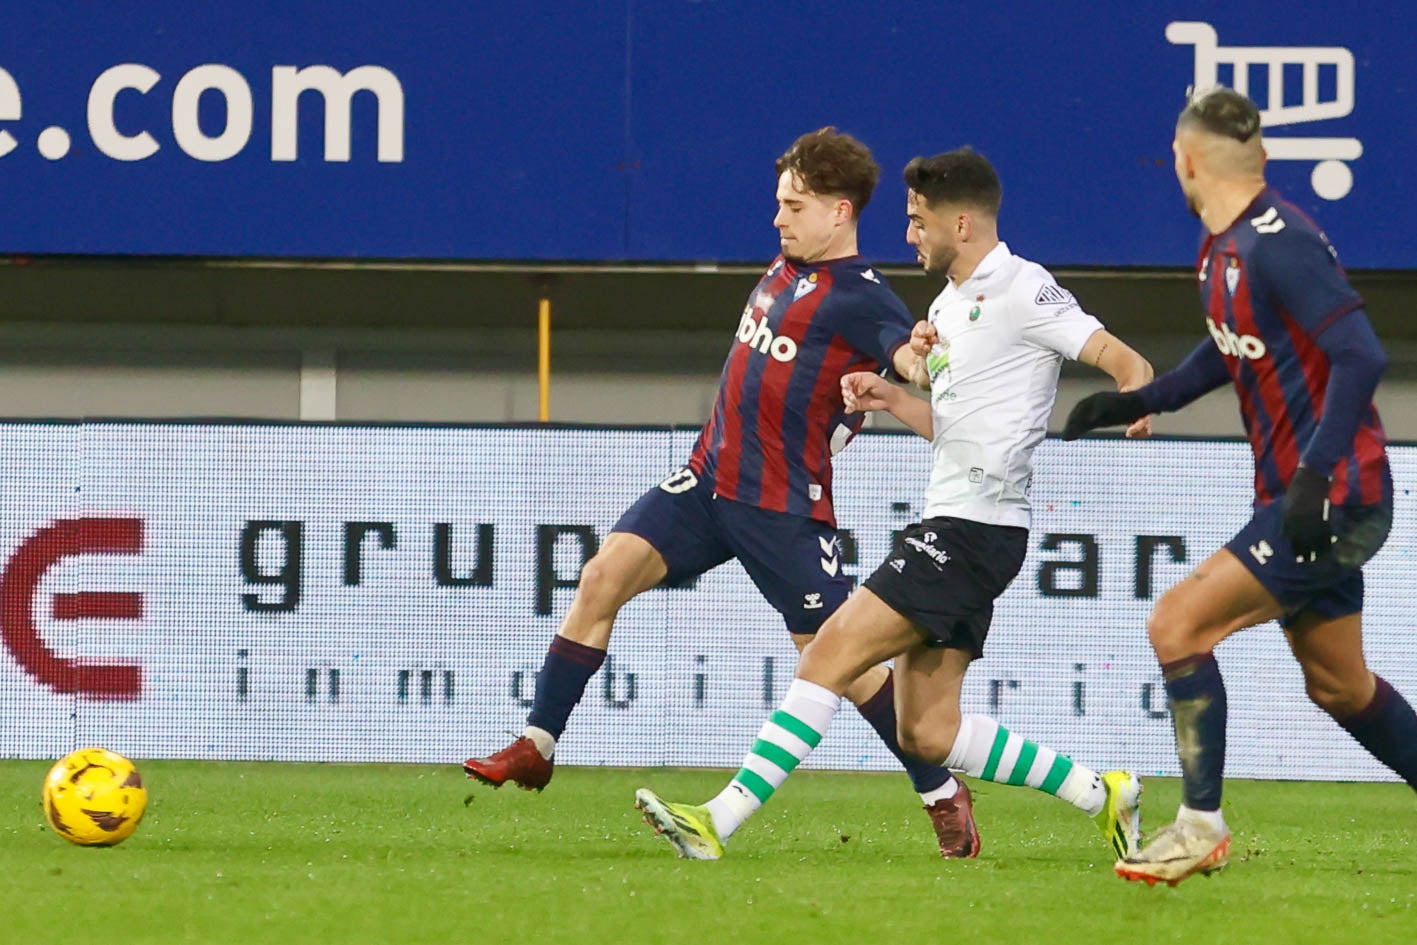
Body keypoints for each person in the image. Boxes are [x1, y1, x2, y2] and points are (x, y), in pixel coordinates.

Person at [465, 127, 988, 856]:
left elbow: (906, 360)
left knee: (843, 664)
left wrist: (920, 356)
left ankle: (939, 790)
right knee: (602, 575)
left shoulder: (860, 297)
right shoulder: (783, 268)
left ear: (839, 212)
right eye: (779, 203)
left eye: (794, 206)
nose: (778, 218)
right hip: (707, 481)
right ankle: (538, 743)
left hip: (780, 507)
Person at [634, 146, 1154, 861]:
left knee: (830, 651)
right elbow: (954, 427)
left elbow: (1123, 358)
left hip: (972, 531)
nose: (909, 234)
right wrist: (889, 396)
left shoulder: (1022, 288)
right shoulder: (943, 308)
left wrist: (1136, 395)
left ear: (960, 223)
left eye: (918, 221)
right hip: (963, 527)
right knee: (927, 732)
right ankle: (1103, 793)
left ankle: (714, 822)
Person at [1061, 86, 1417, 887]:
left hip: (1333, 496)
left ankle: (1199, 826)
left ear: (1186, 160)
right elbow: (1230, 349)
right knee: (1339, 685)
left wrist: (1314, 477)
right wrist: (1142, 400)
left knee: (1176, 623)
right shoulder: (1221, 248)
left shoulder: (1279, 242)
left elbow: (1361, 355)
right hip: (1307, 495)